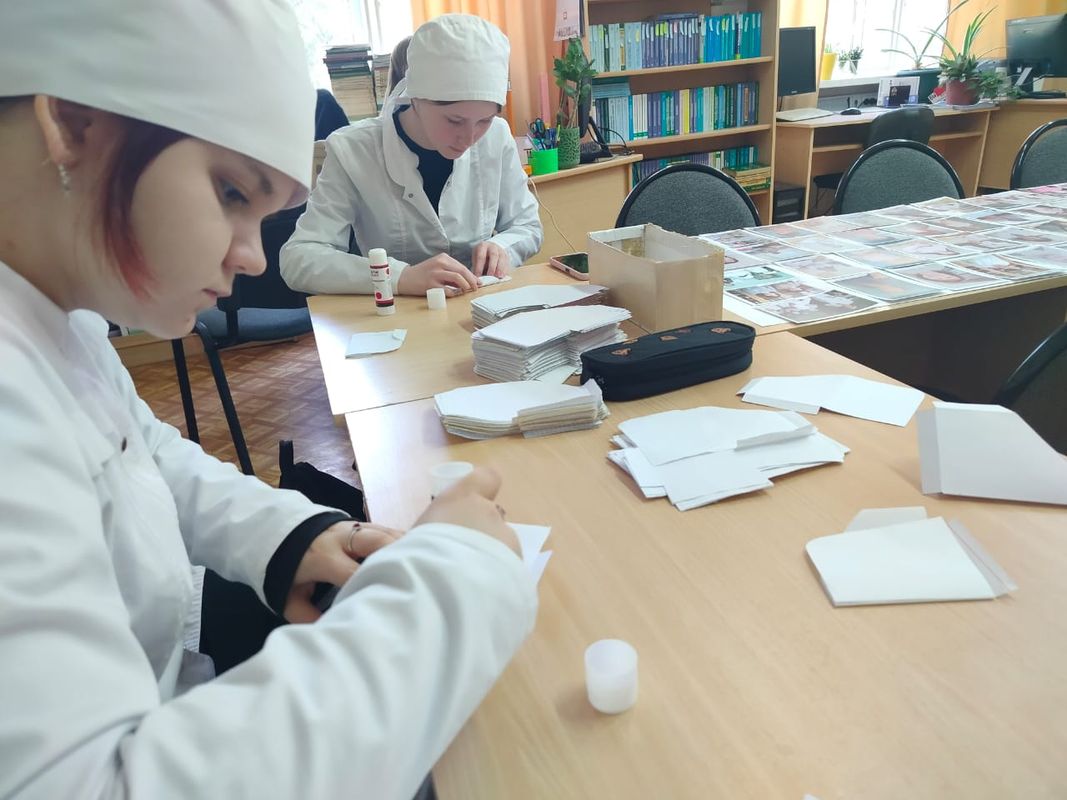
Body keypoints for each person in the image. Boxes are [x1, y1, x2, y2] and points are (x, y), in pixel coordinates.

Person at [0, 2, 537, 798]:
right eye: (230, 192)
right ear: (72, 123)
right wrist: (455, 579)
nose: (253, 257)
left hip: (169, 655)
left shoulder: (53, 318)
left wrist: (287, 537)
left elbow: (144, 453)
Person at [280, 14, 543, 296]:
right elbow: (299, 258)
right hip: (396, 312)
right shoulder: (352, 150)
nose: (469, 138)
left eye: (484, 120)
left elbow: (527, 225)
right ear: (415, 98)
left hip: (478, 304)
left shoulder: (497, 136)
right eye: (454, 120)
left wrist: (502, 247)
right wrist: (400, 277)